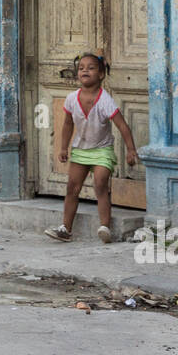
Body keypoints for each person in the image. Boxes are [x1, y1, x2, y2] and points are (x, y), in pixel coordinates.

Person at [44, 53, 138, 245]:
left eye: (91, 68)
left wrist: (130, 150)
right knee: (72, 188)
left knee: (101, 183)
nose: (85, 70)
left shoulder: (105, 100)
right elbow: (68, 124)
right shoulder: (71, 98)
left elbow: (122, 125)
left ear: (101, 74)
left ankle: (105, 227)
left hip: (102, 150)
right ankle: (65, 229)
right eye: (81, 68)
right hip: (81, 149)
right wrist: (63, 147)